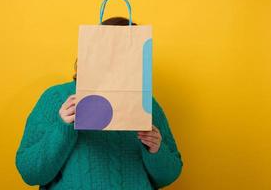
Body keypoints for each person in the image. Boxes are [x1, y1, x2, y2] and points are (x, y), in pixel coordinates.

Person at [15, 17, 183, 190]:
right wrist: (62, 128)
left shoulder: (146, 105)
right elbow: (30, 174)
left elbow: (170, 175)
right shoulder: (57, 98)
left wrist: (156, 150)